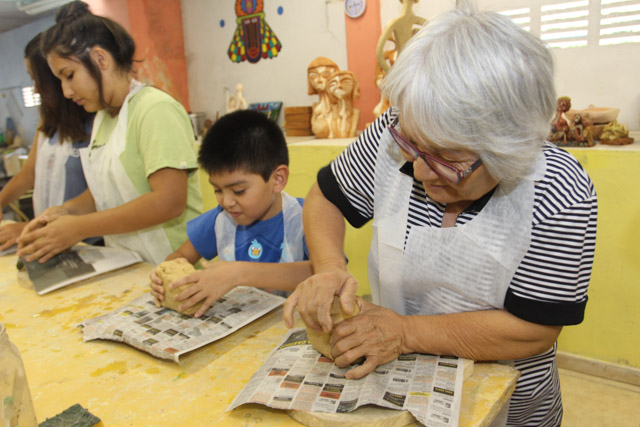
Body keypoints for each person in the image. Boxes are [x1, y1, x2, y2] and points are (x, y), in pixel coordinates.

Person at [283, 2, 597, 426]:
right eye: (412, 146)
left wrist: (405, 333)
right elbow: (325, 198)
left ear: (508, 149)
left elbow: (535, 328)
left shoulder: (558, 190)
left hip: (508, 408)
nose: (417, 169)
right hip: (397, 392)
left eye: (447, 159)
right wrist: (328, 267)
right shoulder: (400, 132)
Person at [17, 1, 202, 264]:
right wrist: (66, 211)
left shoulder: (154, 109)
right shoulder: (104, 118)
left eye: (69, 75)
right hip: (131, 266)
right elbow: (107, 190)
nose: (67, 92)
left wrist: (79, 228)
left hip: (172, 267)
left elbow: (169, 201)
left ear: (100, 59)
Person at [149, 110, 312, 318]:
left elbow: (324, 272)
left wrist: (237, 273)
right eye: (217, 190)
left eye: (238, 191)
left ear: (277, 179)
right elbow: (179, 257)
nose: (226, 202)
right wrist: (164, 277)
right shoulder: (220, 219)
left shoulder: (306, 217)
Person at [0, 32, 93, 251]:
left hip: (86, 241)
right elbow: (29, 173)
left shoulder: (94, 119)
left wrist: (28, 227)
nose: (34, 88)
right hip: (49, 236)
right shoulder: (49, 120)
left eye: (36, 78)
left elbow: (104, 195)